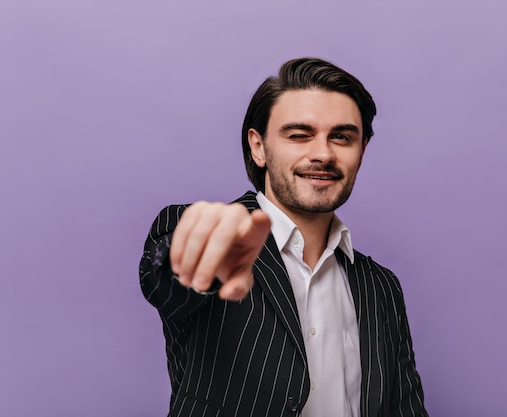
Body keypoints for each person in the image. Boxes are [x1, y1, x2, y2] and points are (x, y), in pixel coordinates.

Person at [139, 57, 428, 417]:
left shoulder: (381, 287)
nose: (322, 153)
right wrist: (198, 251)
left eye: (341, 137)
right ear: (258, 147)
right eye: (299, 135)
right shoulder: (209, 233)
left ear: (362, 151)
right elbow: (169, 276)